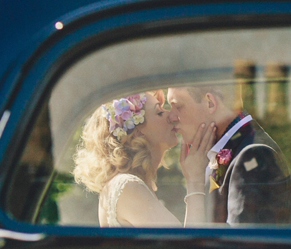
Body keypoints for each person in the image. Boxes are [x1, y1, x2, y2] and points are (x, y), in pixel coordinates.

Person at [73, 90, 215, 227]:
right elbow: (186, 247)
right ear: (136, 134)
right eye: (159, 112)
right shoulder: (128, 186)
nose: (172, 117)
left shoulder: (130, 185)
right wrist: (194, 181)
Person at [167, 86, 291, 225]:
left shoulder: (253, 155)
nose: (171, 117)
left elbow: (237, 243)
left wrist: (194, 183)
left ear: (210, 103)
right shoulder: (240, 147)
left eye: (178, 106)